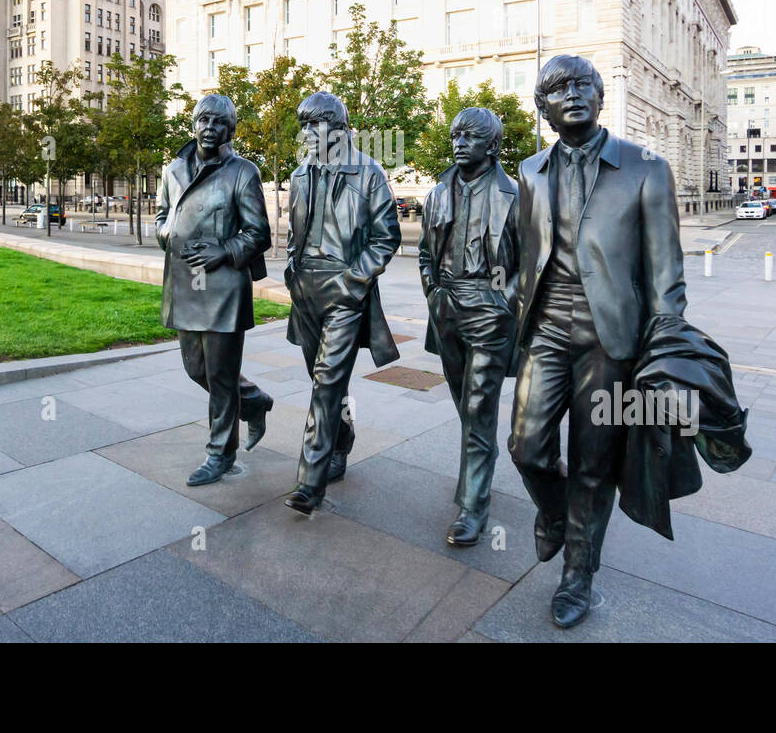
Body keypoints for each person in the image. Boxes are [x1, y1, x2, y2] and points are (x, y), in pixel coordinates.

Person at [508, 55, 687, 629]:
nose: (575, 92)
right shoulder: (530, 170)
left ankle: (578, 573)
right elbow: (521, 252)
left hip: (612, 341)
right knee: (526, 446)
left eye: (585, 83)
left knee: (594, 463)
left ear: (600, 97)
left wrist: (666, 344)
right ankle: (556, 515)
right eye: (559, 87)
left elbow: (667, 274)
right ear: (544, 108)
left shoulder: (645, 167)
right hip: (546, 329)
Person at [283, 91, 401, 514]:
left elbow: (388, 237)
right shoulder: (300, 175)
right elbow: (295, 234)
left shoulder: (368, 174)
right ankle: (342, 440)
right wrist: (292, 273)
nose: (308, 133)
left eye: (315, 125)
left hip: (345, 291)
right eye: (304, 126)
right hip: (306, 292)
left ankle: (308, 483)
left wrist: (354, 281)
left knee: (326, 383)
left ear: (340, 129)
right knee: (326, 381)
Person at [156, 94, 274, 487]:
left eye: (219, 123)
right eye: (204, 120)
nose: (210, 128)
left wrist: (223, 249)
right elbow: (161, 215)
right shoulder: (173, 170)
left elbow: (259, 234)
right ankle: (254, 401)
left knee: (221, 377)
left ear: (230, 130)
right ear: (193, 124)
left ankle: (220, 453)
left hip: (223, 285)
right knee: (196, 369)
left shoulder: (243, 172)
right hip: (186, 282)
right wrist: (167, 232)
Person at [418, 107, 519, 546]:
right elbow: (425, 252)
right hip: (447, 308)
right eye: (455, 136)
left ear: (492, 146)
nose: (458, 144)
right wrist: (433, 291)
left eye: (470, 138)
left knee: (478, 406)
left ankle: (473, 505)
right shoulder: (439, 192)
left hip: (490, 312)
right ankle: (483, 456)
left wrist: (503, 302)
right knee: (465, 403)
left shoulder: (516, 196)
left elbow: (531, 263)